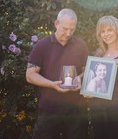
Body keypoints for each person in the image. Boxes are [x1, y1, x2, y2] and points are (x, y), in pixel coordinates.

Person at [25, 8, 89, 139]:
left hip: (76, 109)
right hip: (49, 109)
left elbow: (87, 71)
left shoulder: (81, 45)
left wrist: (80, 79)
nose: (68, 33)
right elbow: (30, 75)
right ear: (56, 24)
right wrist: (52, 84)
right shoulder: (42, 46)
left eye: (72, 29)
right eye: (65, 28)